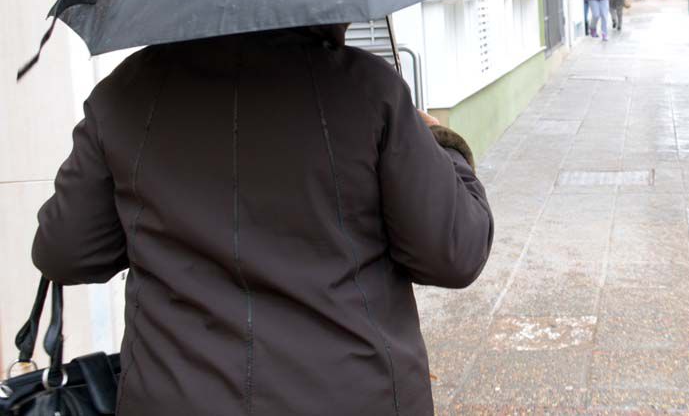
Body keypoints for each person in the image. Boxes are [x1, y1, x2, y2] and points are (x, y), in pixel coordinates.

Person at [31, 25, 493, 416]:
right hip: (351, 393)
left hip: (174, 396)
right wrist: (444, 146)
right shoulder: (368, 90)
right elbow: (454, 252)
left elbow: (64, 251)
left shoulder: (124, 93)